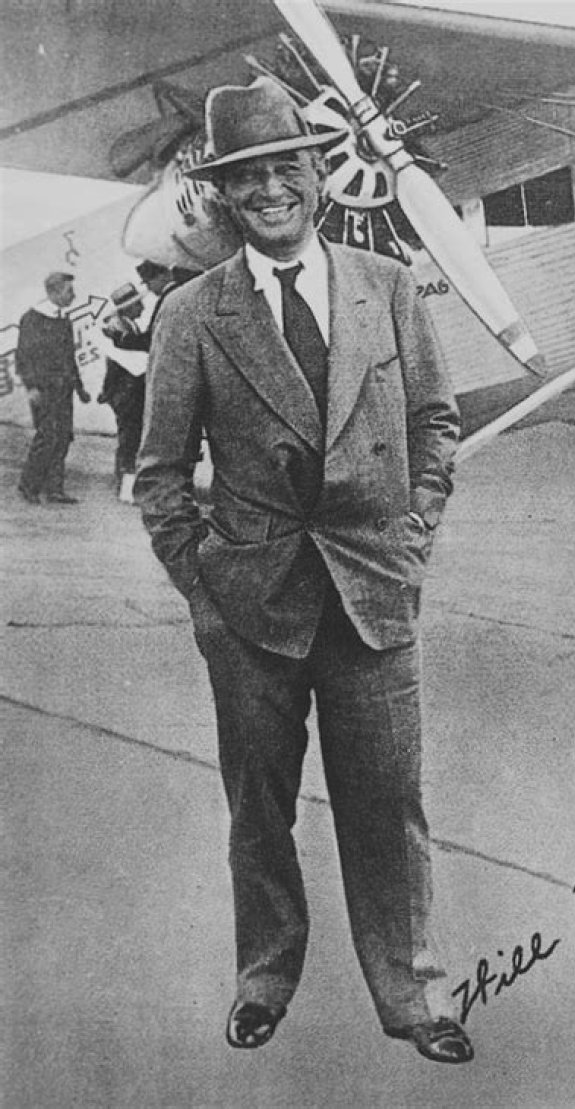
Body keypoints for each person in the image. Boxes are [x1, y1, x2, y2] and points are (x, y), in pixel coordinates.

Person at [134, 78, 473, 1065]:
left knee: (389, 804)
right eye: (247, 177)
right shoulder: (192, 313)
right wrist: (204, 590)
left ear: (320, 175)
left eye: (287, 167)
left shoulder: (389, 286)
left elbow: (435, 422)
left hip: (372, 592)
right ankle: (265, 976)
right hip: (252, 607)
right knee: (259, 809)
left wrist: (414, 531)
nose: (271, 190)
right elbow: (160, 473)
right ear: (225, 194)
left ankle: (414, 992)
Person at [17, 271, 91, 505]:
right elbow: (23, 357)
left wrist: (80, 388)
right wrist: (31, 387)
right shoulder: (32, 319)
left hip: (64, 390)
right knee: (47, 436)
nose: (73, 295)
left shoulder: (64, 320)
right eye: (69, 291)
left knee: (63, 437)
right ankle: (29, 486)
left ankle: (54, 489)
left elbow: (70, 357)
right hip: (44, 391)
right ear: (55, 292)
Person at [98, 284, 147, 502]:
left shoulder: (125, 325)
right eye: (137, 304)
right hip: (127, 392)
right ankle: (126, 487)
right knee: (130, 438)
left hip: (125, 392)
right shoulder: (121, 328)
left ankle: (125, 483)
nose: (142, 307)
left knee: (129, 437)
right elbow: (121, 363)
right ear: (128, 307)